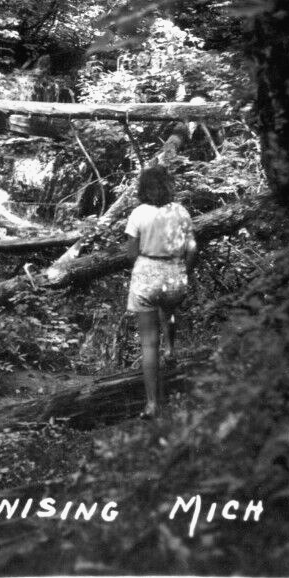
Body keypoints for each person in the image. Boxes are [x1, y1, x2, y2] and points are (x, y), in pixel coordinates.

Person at [122, 165, 196, 418]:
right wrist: (183, 271)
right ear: (168, 186)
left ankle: (153, 404)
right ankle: (171, 350)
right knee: (169, 309)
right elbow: (192, 249)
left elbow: (131, 253)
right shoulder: (180, 211)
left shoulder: (138, 213)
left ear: (143, 189)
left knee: (148, 344)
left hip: (147, 275)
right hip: (174, 274)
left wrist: (144, 265)